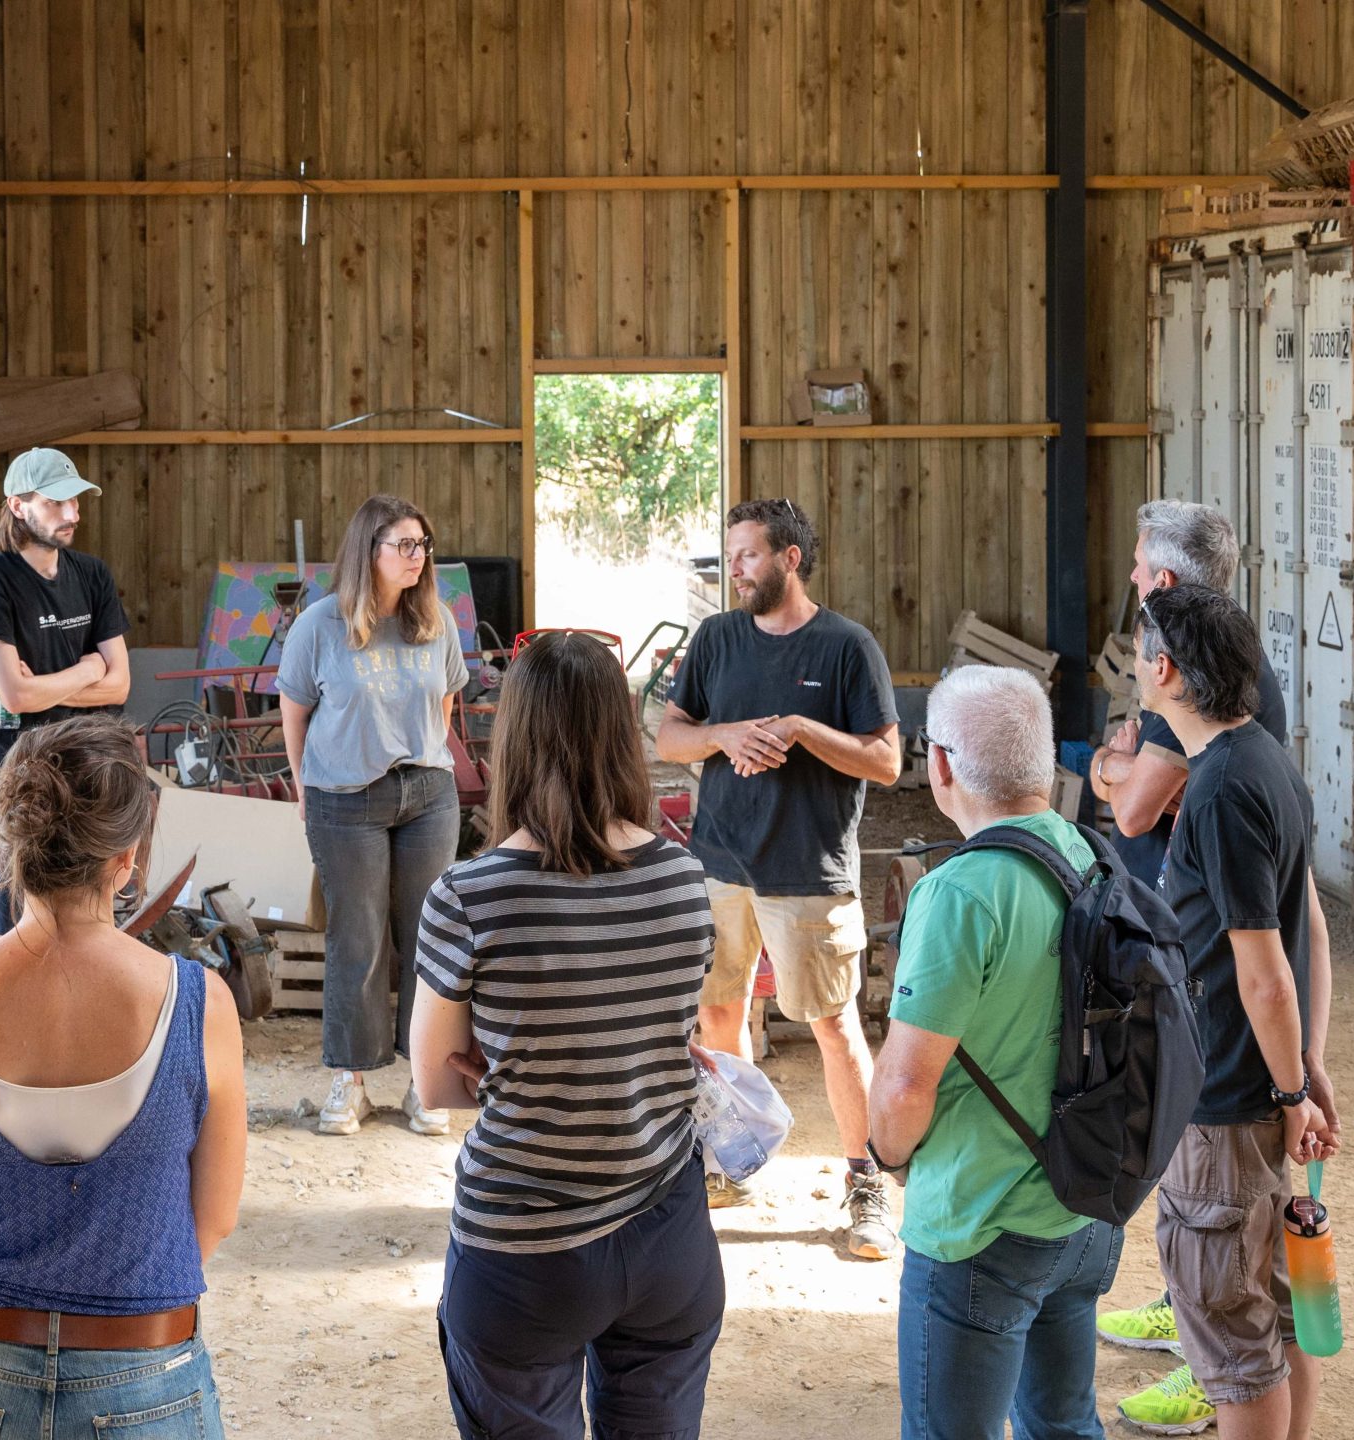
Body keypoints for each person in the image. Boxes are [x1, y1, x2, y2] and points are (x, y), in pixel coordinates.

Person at [0, 714, 246, 1439]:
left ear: (9, 844)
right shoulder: (198, 1006)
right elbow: (214, 1219)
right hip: (145, 1374)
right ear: (127, 859)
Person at [410, 633, 725, 1439]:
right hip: (668, 1234)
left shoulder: (469, 896)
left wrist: (515, 1061)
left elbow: (436, 1084)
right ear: (620, 736)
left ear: (512, 738)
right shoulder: (683, 879)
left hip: (524, 1251)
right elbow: (657, 1040)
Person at [867, 666, 1123, 1440]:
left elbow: (907, 1085)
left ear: (938, 765)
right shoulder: (1091, 858)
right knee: (1065, 1422)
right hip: (1084, 1206)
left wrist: (885, 1154)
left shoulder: (960, 892)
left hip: (982, 1224)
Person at [1111, 583, 1338, 1440]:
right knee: (1273, 1318)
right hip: (1255, 1093)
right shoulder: (1268, 762)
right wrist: (1304, 1075)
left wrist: (1290, 1096)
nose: (1138, 667)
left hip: (1228, 1107)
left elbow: (1266, 972)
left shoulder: (1217, 790)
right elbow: (1299, 928)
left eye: (1141, 654)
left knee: (1232, 1344)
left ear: (1166, 670)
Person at [657, 496, 901, 1254]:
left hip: (810, 870)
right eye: (731, 556)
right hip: (720, 862)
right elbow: (670, 738)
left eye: (749, 555)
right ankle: (730, 1162)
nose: (735, 569)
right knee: (718, 1017)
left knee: (832, 1026)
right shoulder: (717, 639)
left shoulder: (846, 647)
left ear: (790, 559)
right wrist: (723, 735)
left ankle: (866, 1184)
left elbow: (888, 762)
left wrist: (801, 730)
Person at [278, 494, 467, 1138]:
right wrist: (306, 789)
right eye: (404, 545)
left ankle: (424, 1082)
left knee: (427, 940)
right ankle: (351, 1081)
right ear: (369, 552)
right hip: (343, 798)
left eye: (423, 546)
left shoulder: (435, 620)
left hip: (427, 795)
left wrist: (422, 757)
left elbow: (443, 708)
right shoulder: (320, 625)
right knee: (356, 939)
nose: (418, 556)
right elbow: (295, 713)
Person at [0, 448, 132, 931]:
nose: (72, 514)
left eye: (75, 502)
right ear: (18, 506)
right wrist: (88, 668)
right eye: (55, 503)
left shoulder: (92, 574)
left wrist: (42, 684)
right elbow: (15, 699)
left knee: (87, 933)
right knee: (9, 937)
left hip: (88, 780)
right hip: (17, 787)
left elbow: (119, 685)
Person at [1087, 500, 1290, 886]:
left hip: (1177, 919)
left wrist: (1108, 762)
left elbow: (1132, 814)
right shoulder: (1228, 647)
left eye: (1138, 564)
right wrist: (1118, 767)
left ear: (1164, 582)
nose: (1133, 576)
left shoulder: (1194, 673)